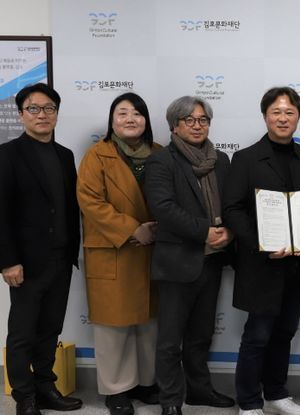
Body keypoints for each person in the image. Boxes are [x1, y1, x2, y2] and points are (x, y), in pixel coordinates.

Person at [224, 86, 300, 415]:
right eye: (276, 112)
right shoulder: (245, 158)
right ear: (265, 116)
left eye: (289, 112)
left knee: (285, 333)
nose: (283, 118)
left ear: (298, 116)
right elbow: (233, 209)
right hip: (262, 265)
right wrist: (261, 244)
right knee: (257, 335)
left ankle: (277, 393)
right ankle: (249, 401)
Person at [145, 96, 234, 415]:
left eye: (203, 120)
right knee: (170, 340)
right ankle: (171, 400)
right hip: (177, 262)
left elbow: (231, 204)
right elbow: (163, 207)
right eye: (189, 120)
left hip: (212, 259)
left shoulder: (221, 160)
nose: (197, 126)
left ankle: (199, 390)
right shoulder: (161, 161)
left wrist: (229, 231)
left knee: (201, 334)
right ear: (174, 126)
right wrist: (203, 230)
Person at [76, 92, 162, 415]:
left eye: (137, 113)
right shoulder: (96, 156)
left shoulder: (159, 153)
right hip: (115, 250)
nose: (130, 119)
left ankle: (146, 382)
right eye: (122, 113)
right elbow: (91, 202)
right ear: (112, 121)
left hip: (152, 250)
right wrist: (131, 229)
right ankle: (117, 390)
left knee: (149, 324)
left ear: (146, 120)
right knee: (114, 326)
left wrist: (158, 228)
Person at [0, 83, 82, 415]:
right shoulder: (7, 154)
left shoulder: (65, 155)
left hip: (61, 259)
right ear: (21, 114)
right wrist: (8, 261)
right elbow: (1, 212)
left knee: (50, 329)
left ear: (57, 114)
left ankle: (46, 387)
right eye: (33, 108)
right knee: (22, 333)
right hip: (26, 262)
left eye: (49, 108)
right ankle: (25, 396)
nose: (42, 115)